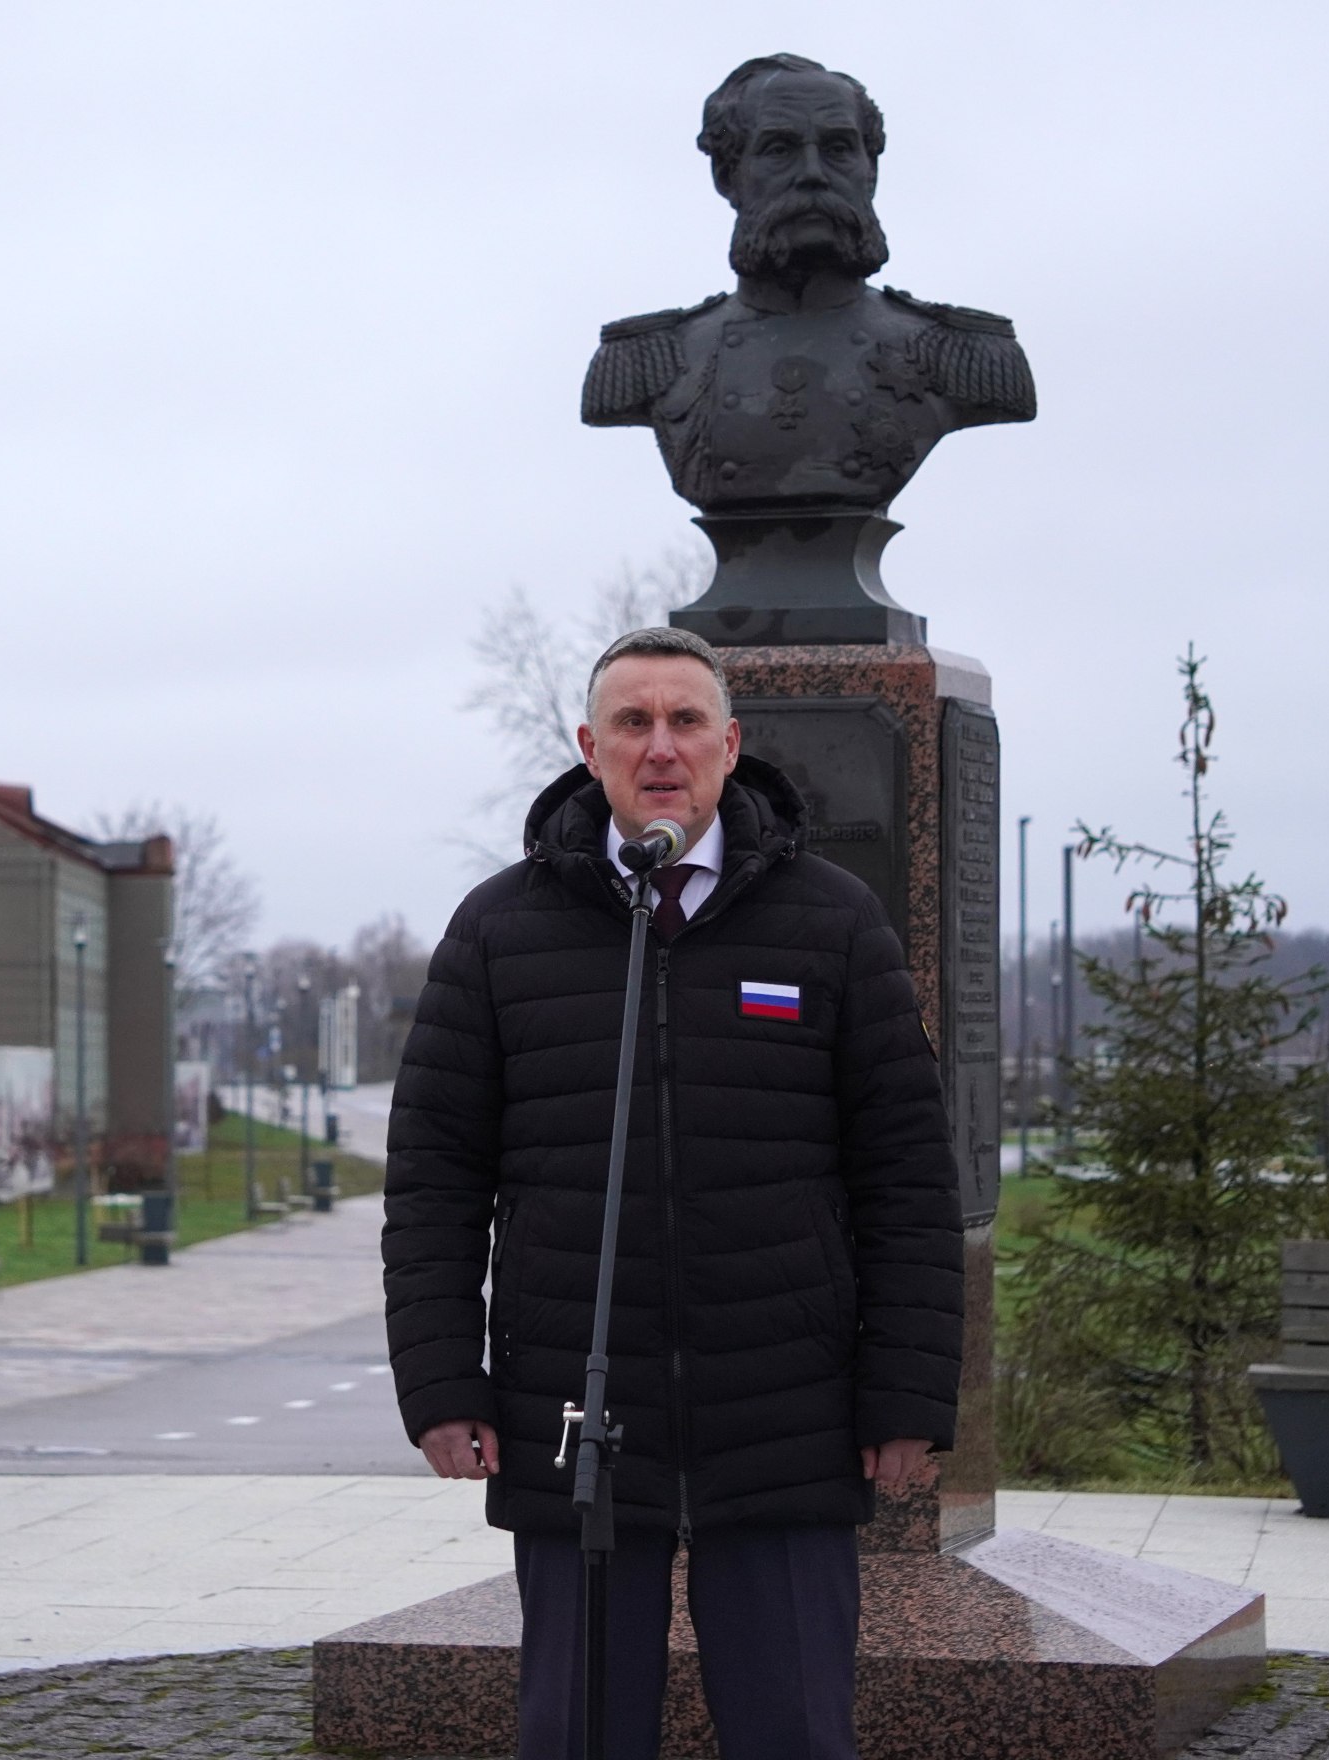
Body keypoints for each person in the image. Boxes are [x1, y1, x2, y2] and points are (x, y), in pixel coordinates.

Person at [383, 626, 963, 1760]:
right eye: (633, 722)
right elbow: (434, 1177)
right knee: (577, 1734)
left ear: (730, 744)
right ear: (588, 746)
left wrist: (904, 1394)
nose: (661, 746)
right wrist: (445, 1381)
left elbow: (904, 1172)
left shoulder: (832, 921)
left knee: (794, 1731)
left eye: (686, 720)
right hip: (576, 1419)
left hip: (786, 1419)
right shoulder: (499, 930)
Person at [580, 54, 1034, 517]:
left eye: (838, 148)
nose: (814, 173)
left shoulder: (962, 353)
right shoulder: (649, 359)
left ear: (870, 170)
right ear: (726, 176)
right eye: (780, 150)